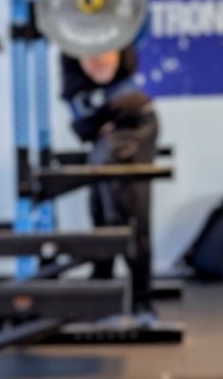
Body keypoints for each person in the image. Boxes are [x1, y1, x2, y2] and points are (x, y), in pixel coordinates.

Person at [60, 46, 159, 320]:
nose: (99, 61)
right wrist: (101, 121)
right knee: (102, 214)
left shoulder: (129, 98)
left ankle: (141, 302)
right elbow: (83, 129)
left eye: (106, 53)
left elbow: (113, 89)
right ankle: (103, 296)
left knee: (131, 217)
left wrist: (105, 119)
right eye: (91, 56)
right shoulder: (74, 76)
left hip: (131, 131)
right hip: (105, 134)